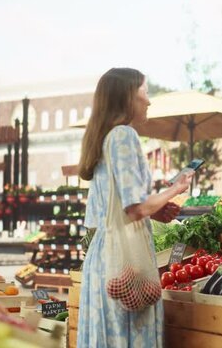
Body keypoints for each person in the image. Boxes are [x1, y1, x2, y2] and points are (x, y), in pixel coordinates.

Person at [77, 68, 193, 347]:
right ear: (127, 97)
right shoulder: (123, 136)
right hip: (124, 260)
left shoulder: (106, 139)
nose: (149, 101)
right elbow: (134, 209)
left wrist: (156, 208)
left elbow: (119, 208)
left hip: (103, 259)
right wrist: (175, 189)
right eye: (145, 92)